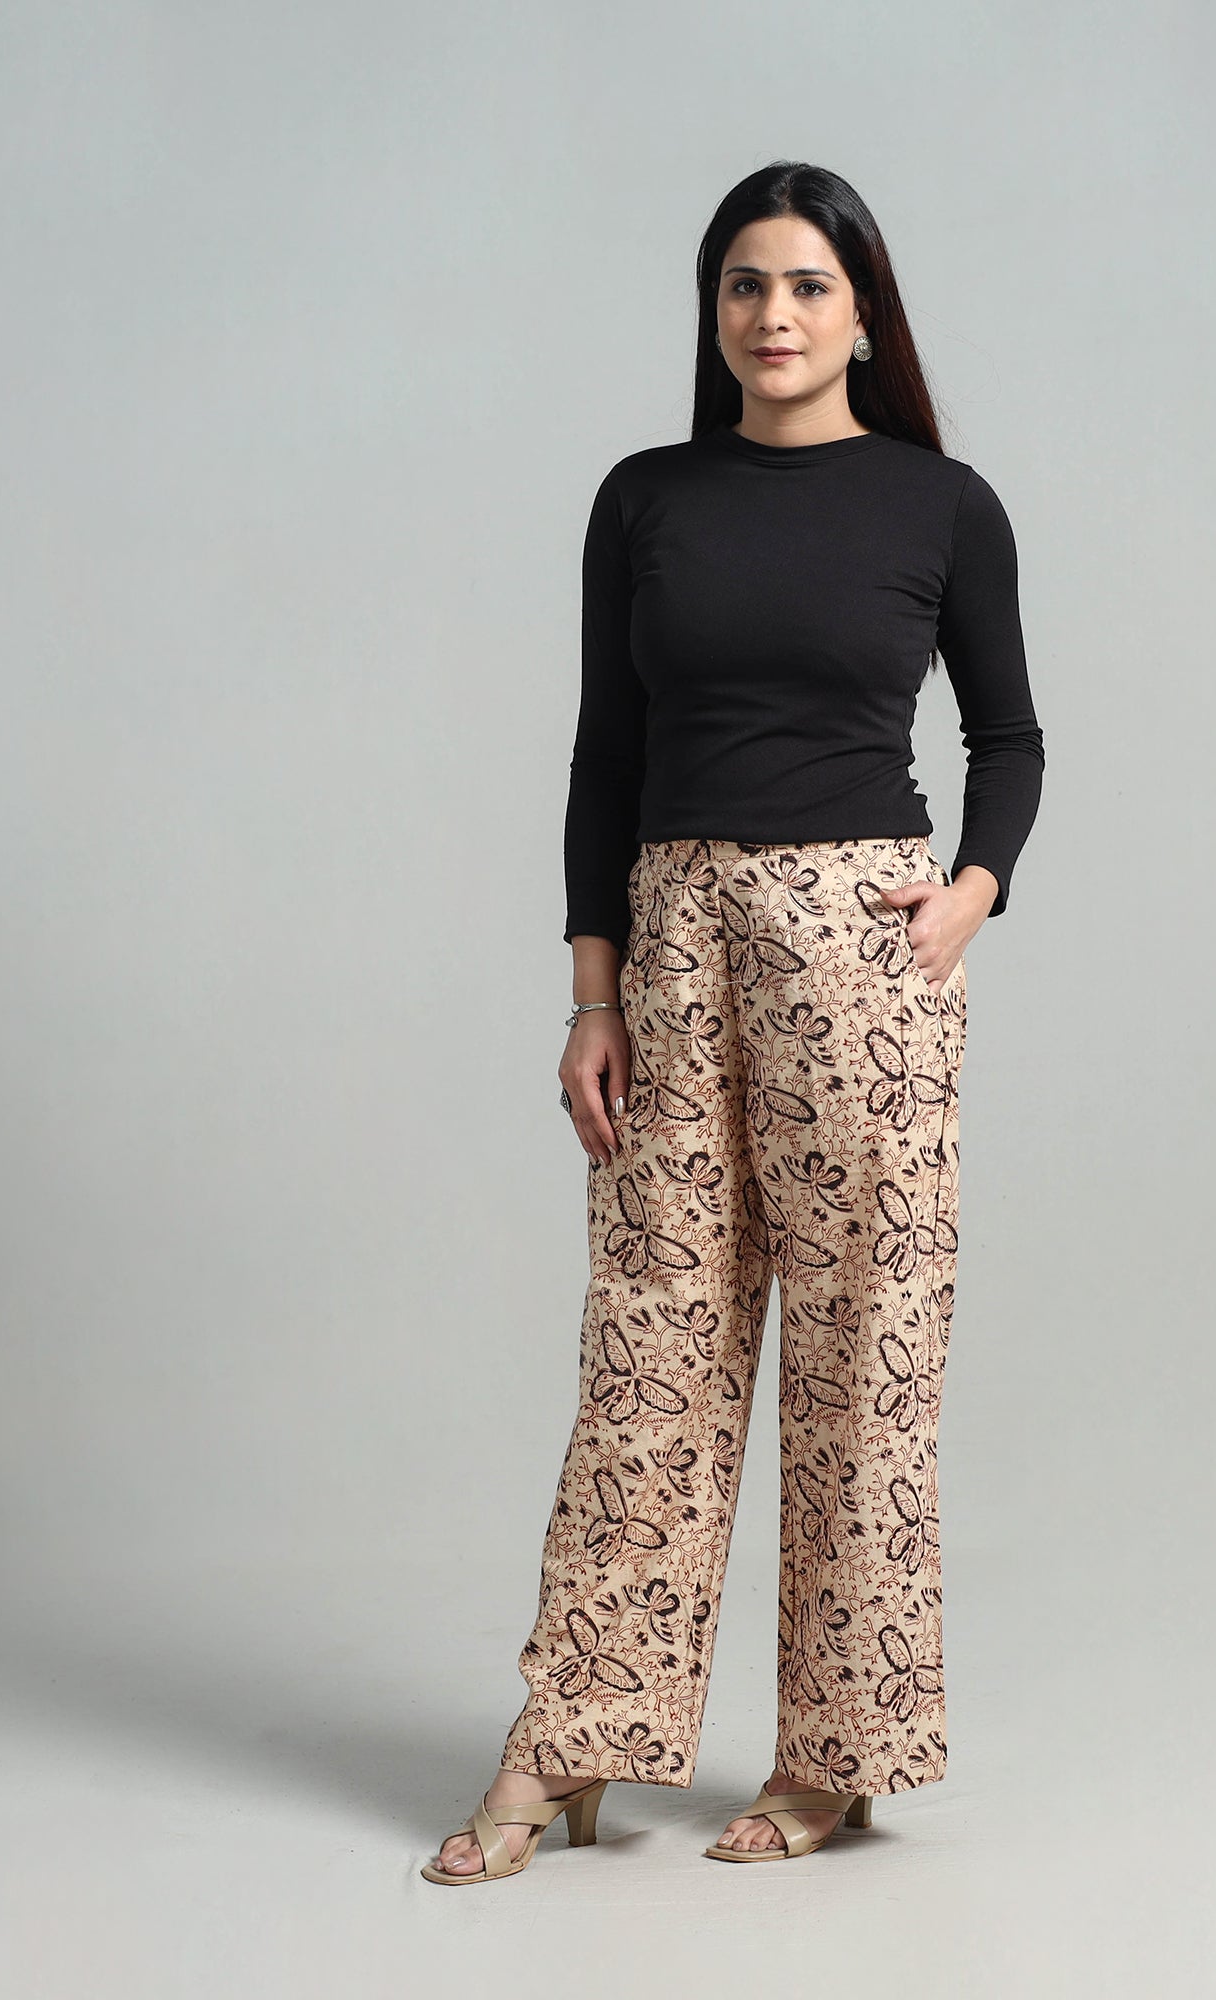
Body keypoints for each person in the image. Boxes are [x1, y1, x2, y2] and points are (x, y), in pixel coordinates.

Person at [423, 158, 1044, 1883]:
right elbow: (603, 757)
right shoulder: (647, 500)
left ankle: (835, 1758)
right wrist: (592, 991)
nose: (775, 315)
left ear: (864, 314)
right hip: (675, 937)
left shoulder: (940, 506)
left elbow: (1009, 736)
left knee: (864, 1356)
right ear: (714, 313)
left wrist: (970, 895)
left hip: (861, 948)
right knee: (652, 1350)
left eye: (809, 285)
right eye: (745, 285)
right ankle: (573, 1737)